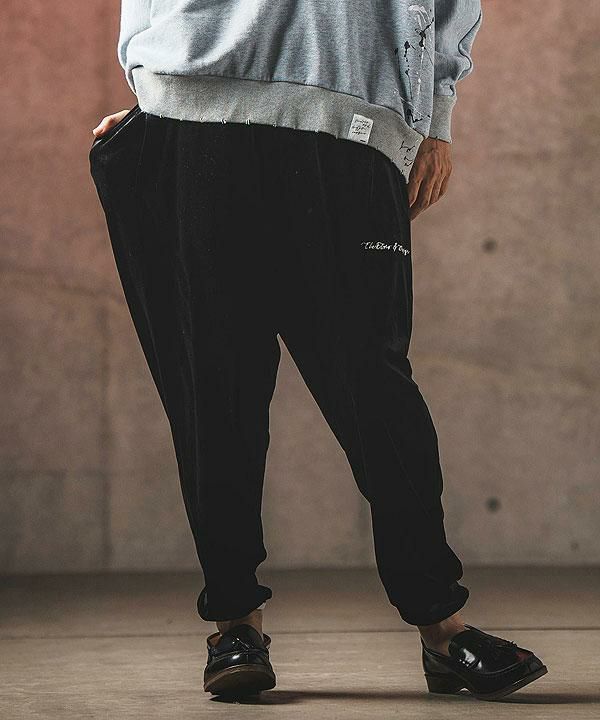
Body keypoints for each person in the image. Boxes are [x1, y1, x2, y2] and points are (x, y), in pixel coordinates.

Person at [89, 0, 548, 701]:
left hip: (349, 126)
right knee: (213, 391)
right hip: (190, 117)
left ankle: (441, 623)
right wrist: (153, 92)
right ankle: (235, 624)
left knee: (377, 391)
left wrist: (435, 118)